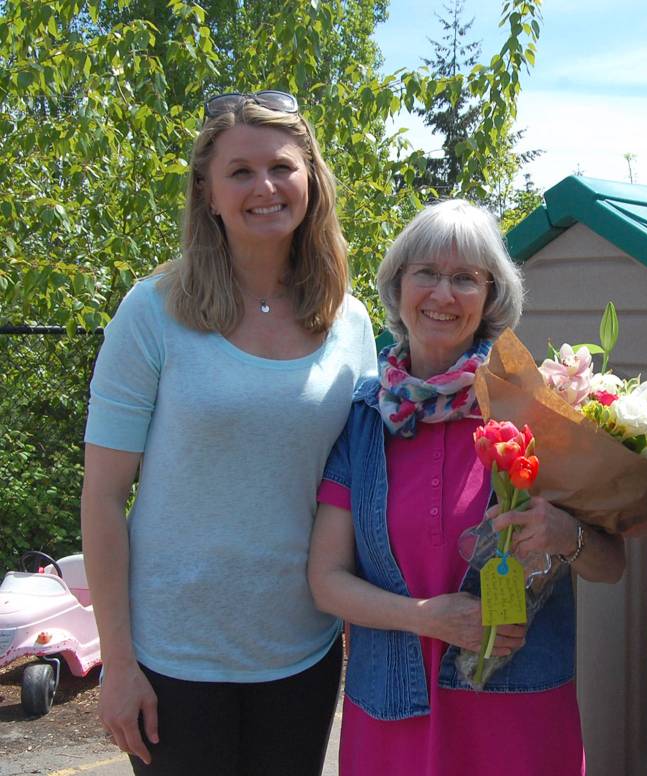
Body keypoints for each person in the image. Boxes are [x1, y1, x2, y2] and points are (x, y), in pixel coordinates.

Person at [80, 90, 377, 775]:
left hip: (301, 650)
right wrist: (117, 664)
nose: (264, 187)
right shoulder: (152, 312)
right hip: (172, 659)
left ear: (312, 182)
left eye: (282, 167)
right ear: (208, 195)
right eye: (240, 172)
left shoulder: (350, 323)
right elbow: (102, 497)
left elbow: (356, 488)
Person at [307, 199, 626, 776]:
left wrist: (565, 533)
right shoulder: (363, 416)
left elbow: (610, 566)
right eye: (425, 272)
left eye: (464, 278)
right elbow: (325, 581)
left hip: (516, 719)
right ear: (398, 285)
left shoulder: (536, 412)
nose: (442, 294)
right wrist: (427, 617)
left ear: (491, 297)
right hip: (394, 714)